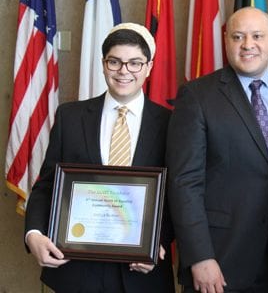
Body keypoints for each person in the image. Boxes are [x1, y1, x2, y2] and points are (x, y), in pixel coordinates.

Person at [166, 7, 268, 293]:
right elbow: (184, 183)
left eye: (257, 36)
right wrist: (200, 256)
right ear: (226, 40)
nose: (248, 45)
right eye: (238, 36)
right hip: (222, 259)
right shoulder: (197, 96)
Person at [24, 23, 175, 292]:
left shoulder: (171, 123)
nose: (124, 71)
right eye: (115, 62)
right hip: (77, 272)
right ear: (103, 64)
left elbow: (180, 194)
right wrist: (33, 234)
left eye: (134, 63)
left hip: (142, 275)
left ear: (149, 67)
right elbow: (46, 185)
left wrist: (157, 243)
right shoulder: (70, 117)